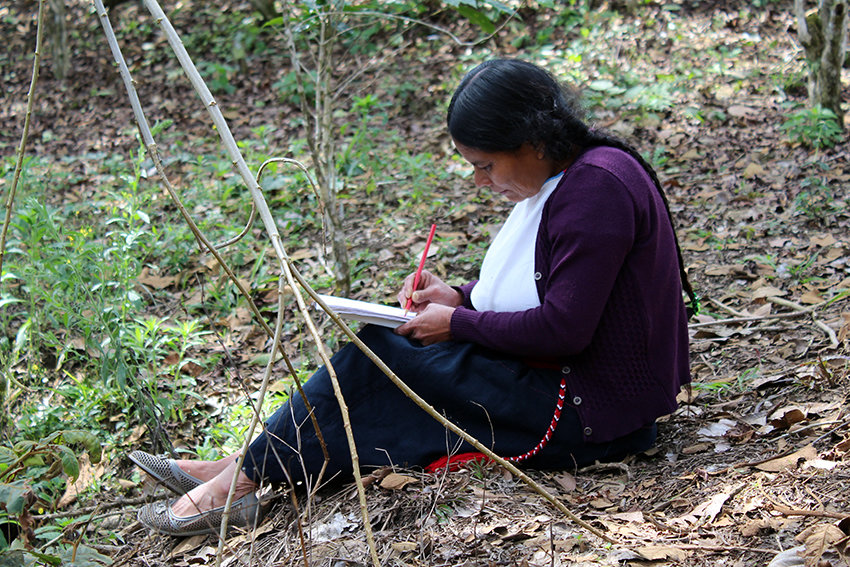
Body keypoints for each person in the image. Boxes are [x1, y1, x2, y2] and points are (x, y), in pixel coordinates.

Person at [133, 58, 695, 536]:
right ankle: (243, 466)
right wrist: (460, 297)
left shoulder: (595, 189)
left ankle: (240, 478)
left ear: (530, 142)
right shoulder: (577, 176)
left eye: (485, 165)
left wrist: (456, 323)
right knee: (383, 360)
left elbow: (566, 327)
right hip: (572, 388)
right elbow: (556, 286)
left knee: (381, 355)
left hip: (586, 413)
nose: (481, 181)